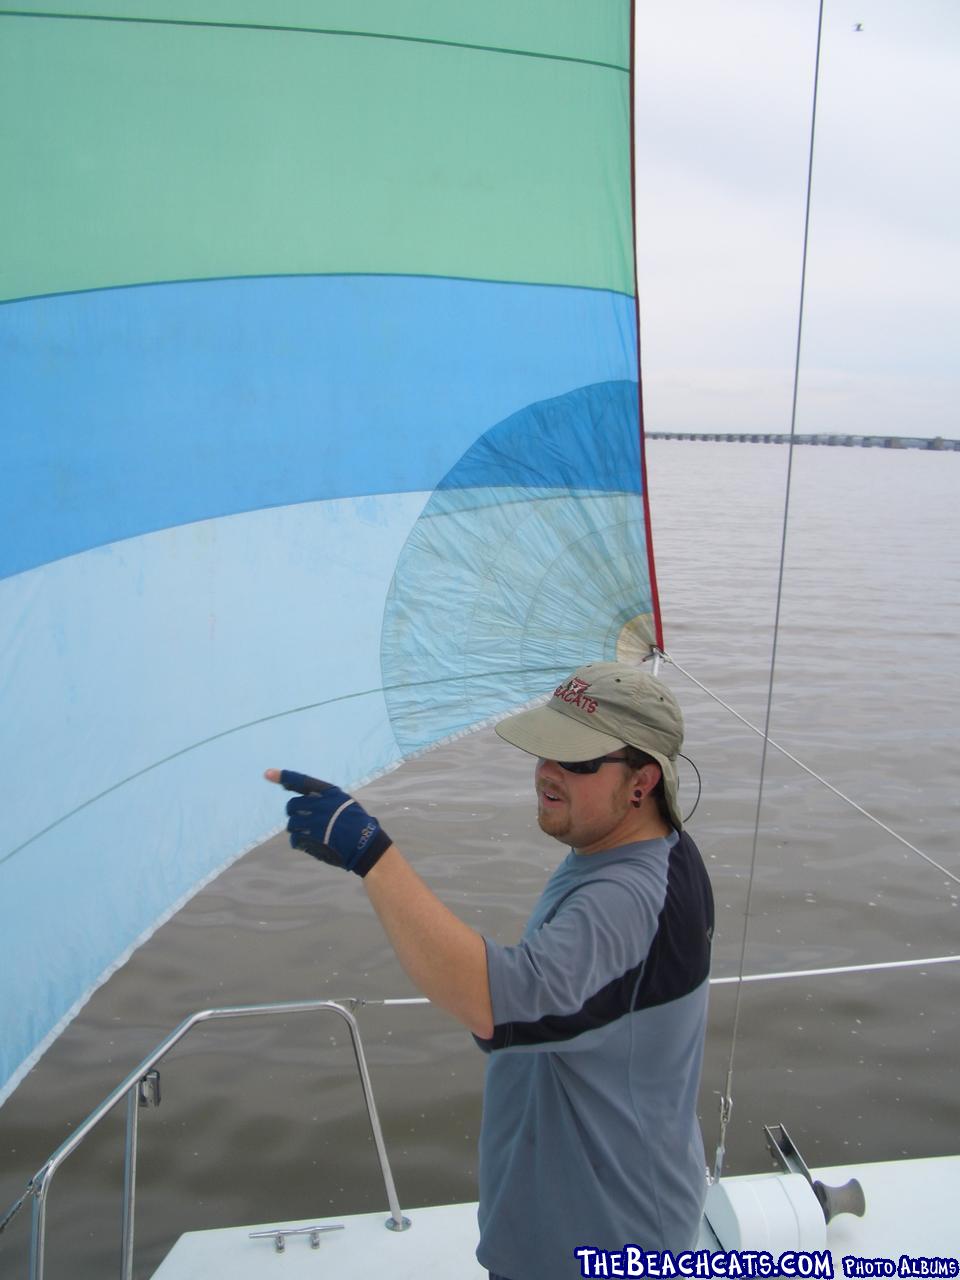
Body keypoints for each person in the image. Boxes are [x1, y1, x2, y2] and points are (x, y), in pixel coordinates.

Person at [265, 660, 714, 1280]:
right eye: (545, 750)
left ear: (642, 782)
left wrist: (368, 852)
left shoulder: (621, 899)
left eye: (578, 760)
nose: (548, 772)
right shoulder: (654, 850)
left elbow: (492, 1000)